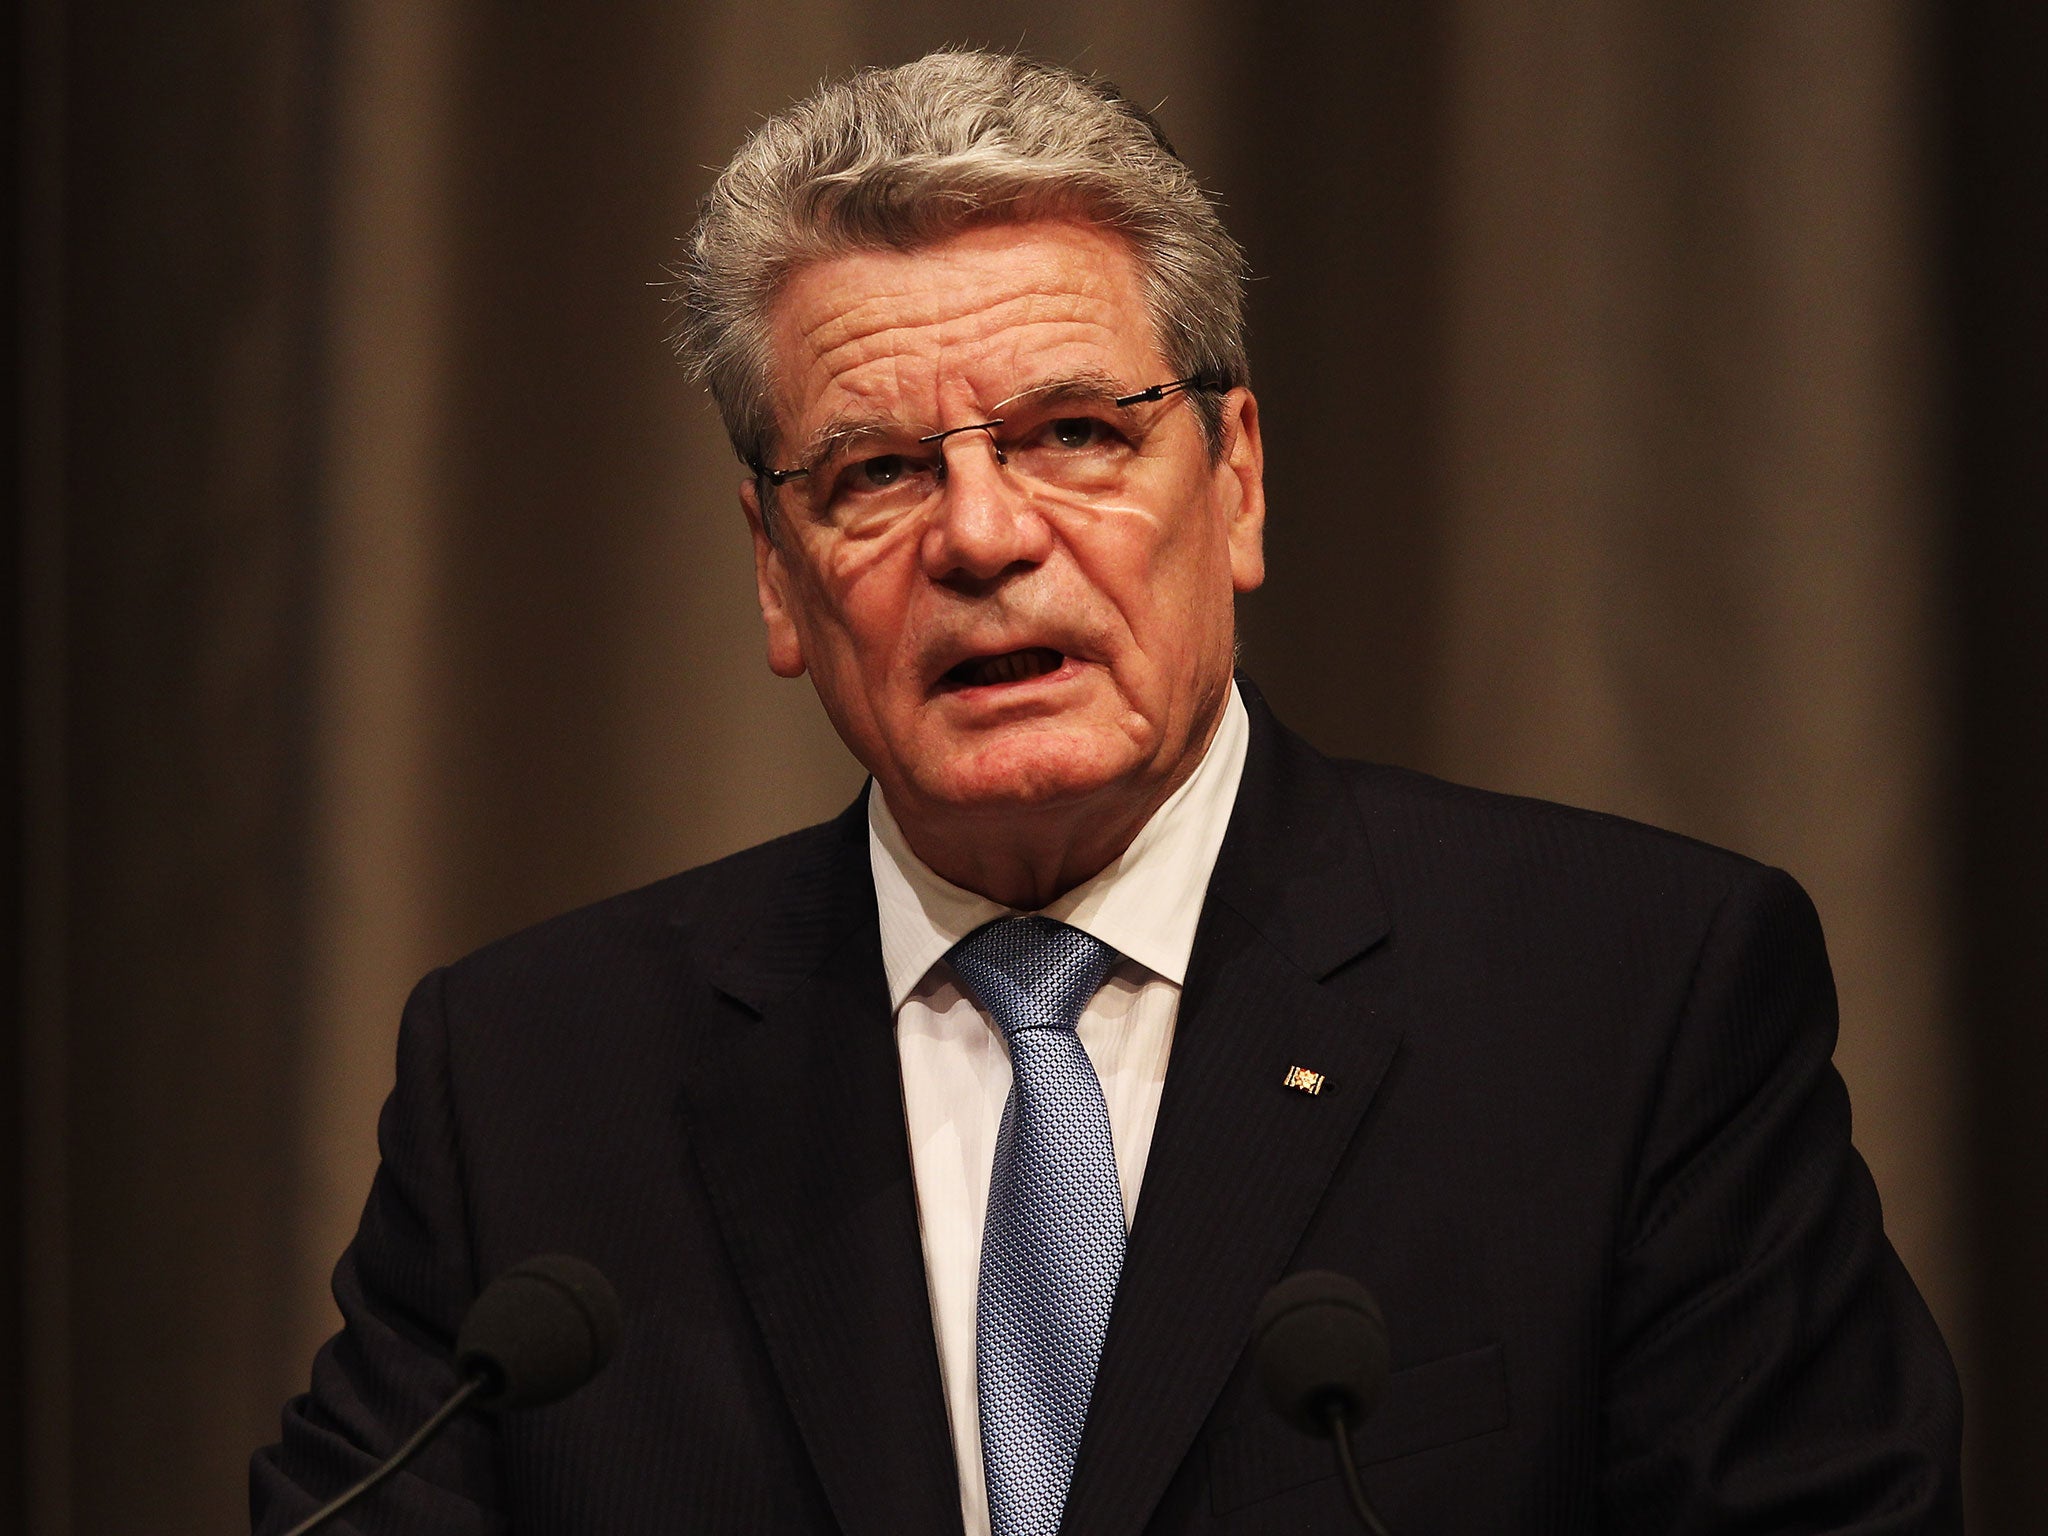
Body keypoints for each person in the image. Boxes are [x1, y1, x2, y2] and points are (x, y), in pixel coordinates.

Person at [251, 49, 1961, 1535]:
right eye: (876, 473)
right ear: (776, 576)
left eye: (1075, 431)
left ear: (1236, 483)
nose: (984, 537)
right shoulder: (540, 1082)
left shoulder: (1628, 999)